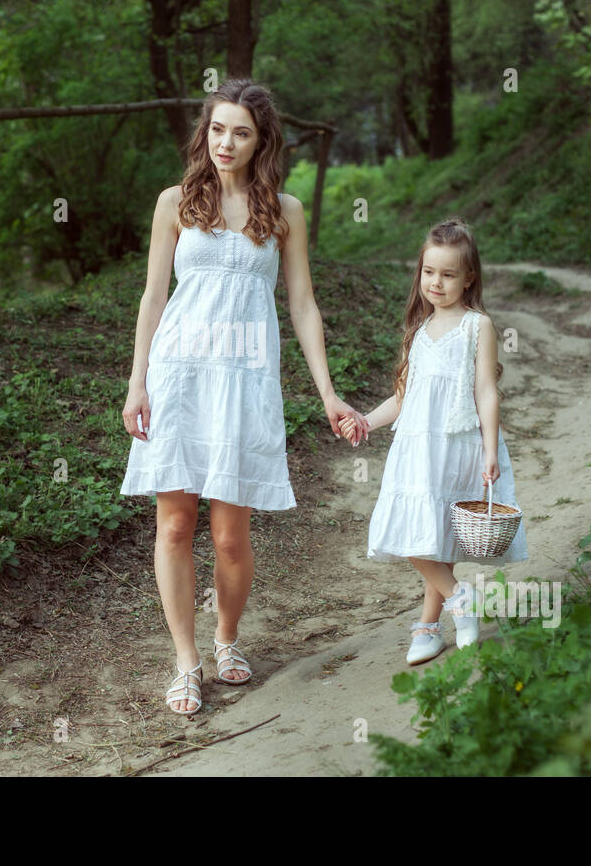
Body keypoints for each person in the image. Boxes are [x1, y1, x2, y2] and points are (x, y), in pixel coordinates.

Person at [120, 78, 370, 715]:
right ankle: (186, 661)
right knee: (174, 525)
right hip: (178, 377)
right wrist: (137, 379)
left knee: (230, 537)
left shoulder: (283, 210)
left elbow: (303, 303)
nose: (225, 143)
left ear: (262, 142)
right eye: (217, 128)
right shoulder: (175, 202)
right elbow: (153, 297)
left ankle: (226, 637)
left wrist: (328, 393)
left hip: (245, 380)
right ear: (204, 132)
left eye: (241, 132)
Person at [339, 218, 527, 665]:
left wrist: (489, 448)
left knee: (434, 537)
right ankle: (453, 604)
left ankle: (434, 620)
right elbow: (403, 399)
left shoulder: (475, 326)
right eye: (428, 272)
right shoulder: (419, 332)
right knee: (416, 533)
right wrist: (366, 420)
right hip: (417, 447)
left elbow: (485, 390)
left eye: (447, 274)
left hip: (458, 444)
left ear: (468, 279)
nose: (436, 283)